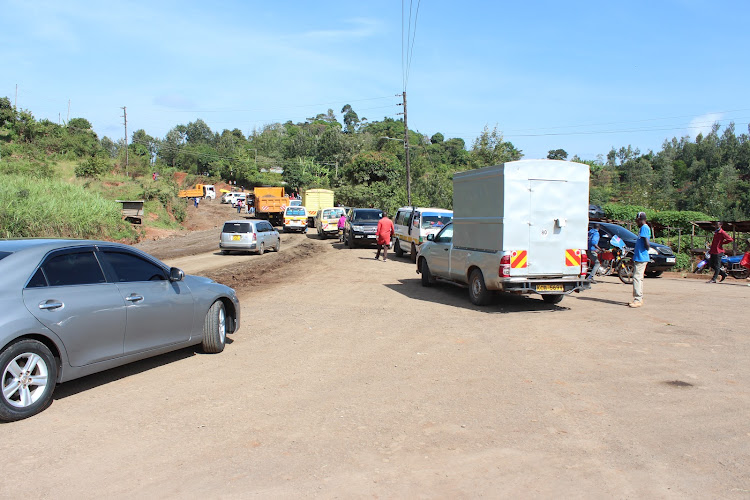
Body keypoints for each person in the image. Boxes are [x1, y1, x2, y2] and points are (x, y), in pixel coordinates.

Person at [629, 212, 650, 308]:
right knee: (639, 278)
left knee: (637, 278)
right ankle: (639, 298)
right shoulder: (643, 228)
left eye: (637, 220)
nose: (636, 222)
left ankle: (638, 299)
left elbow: (646, 242)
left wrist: (645, 249)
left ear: (640, 219)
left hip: (641, 257)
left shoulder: (644, 228)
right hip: (639, 256)